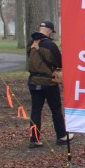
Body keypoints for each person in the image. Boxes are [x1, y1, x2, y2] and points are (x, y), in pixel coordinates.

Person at [26, 20, 74, 148]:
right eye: (52, 31)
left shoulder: (30, 43)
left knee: (35, 111)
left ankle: (34, 139)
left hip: (33, 81)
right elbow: (60, 62)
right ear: (49, 30)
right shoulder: (50, 45)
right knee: (56, 109)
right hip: (49, 82)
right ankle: (61, 136)